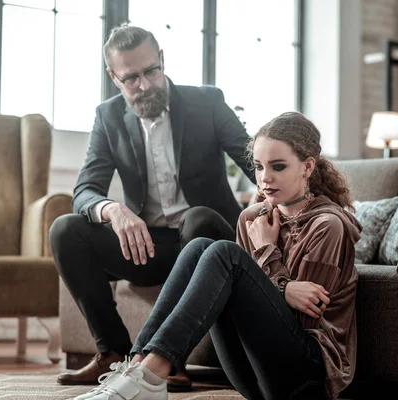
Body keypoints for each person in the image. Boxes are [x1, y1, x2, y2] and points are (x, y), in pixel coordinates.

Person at [70, 111, 362, 400]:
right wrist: (284, 287)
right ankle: (136, 369)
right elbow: (249, 302)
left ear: (307, 167)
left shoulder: (328, 226)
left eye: (278, 167)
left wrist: (266, 252)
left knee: (225, 253)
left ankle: (149, 378)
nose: (264, 179)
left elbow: (302, 317)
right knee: (199, 247)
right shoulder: (252, 218)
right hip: (252, 375)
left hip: (305, 380)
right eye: (259, 167)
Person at [49, 23, 254, 391]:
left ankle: (169, 357)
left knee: (198, 218)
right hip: (149, 245)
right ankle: (113, 353)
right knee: (65, 230)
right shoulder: (108, 116)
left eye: (151, 71)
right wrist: (113, 210)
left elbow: (253, 159)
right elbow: (85, 191)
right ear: (114, 77)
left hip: (208, 244)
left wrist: (289, 197)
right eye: (131, 78)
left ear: (162, 60)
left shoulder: (206, 102)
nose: (144, 85)